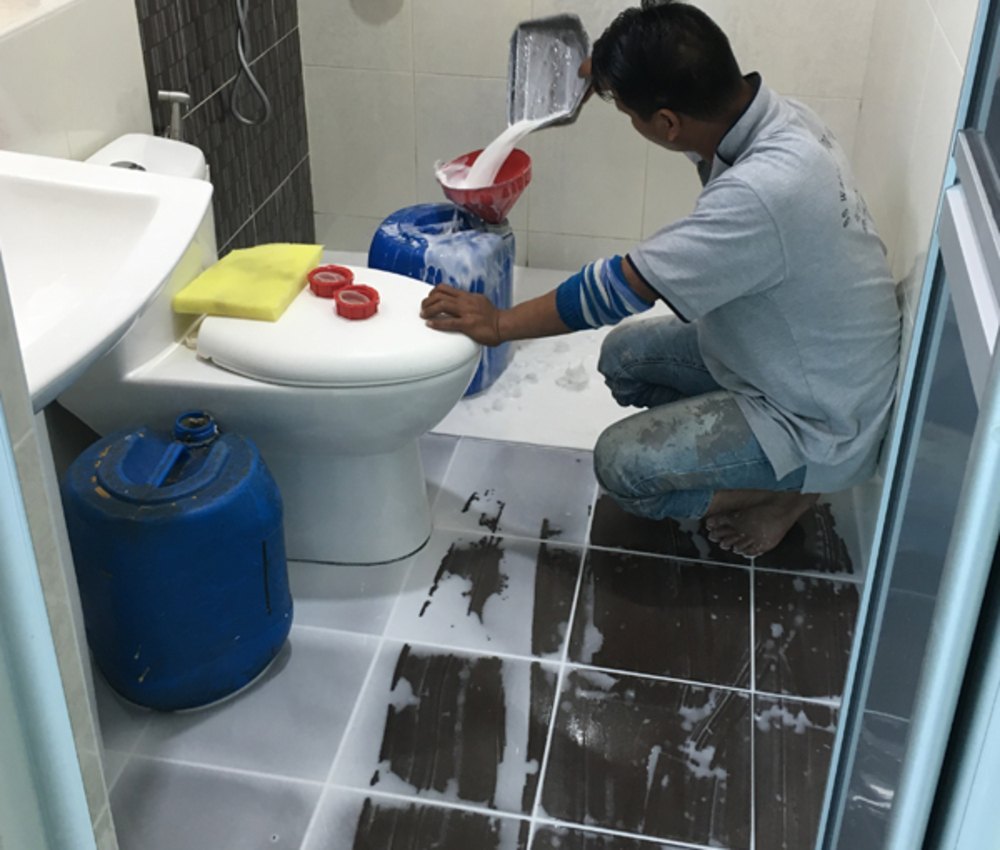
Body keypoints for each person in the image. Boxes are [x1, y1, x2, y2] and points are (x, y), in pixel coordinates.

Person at [419, 0, 900, 557]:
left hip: (821, 413)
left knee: (624, 470)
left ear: (668, 123)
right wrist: (616, 68)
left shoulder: (763, 193)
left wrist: (500, 324)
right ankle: (761, 458)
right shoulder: (778, 118)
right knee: (624, 360)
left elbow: (619, 287)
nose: (630, 121)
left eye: (630, 113)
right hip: (809, 359)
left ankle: (791, 488)